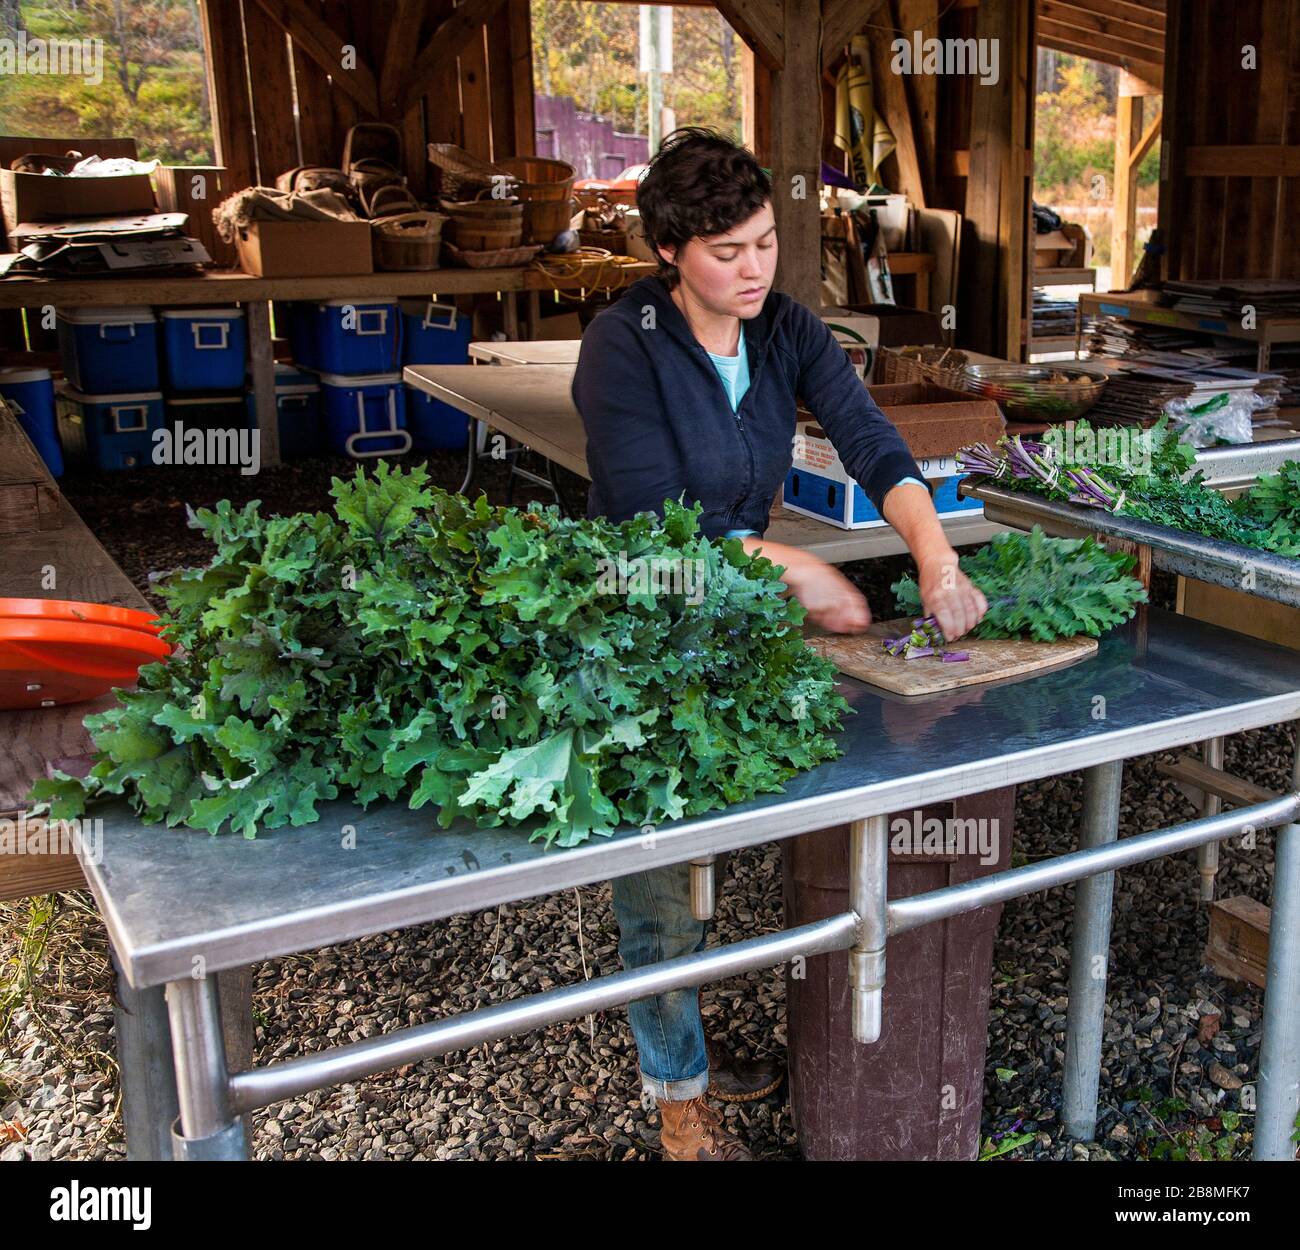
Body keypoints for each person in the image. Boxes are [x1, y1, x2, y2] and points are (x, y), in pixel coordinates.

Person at [571, 128, 988, 1160]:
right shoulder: (620, 345)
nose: (752, 268)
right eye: (726, 252)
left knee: (739, 827)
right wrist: (797, 568)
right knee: (663, 867)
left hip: (740, 611)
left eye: (762, 243)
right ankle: (678, 1095)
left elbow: (870, 439)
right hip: (644, 606)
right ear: (670, 250)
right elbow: (646, 520)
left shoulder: (784, 325)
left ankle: (709, 1032)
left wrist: (933, 555)